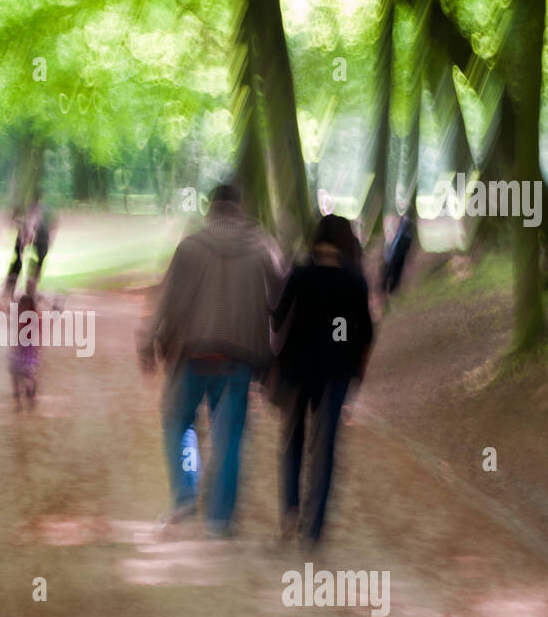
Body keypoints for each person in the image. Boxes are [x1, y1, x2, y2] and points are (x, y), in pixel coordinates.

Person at [138, 183, 282, 537]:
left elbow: (168, 298)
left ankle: (186, 490)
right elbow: (280, 301)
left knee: (179, 422)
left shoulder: (190, 247)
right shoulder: (263, 249)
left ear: (210, 209)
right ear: (240, 208)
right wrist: (274, 354)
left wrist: (150, 341)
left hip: (192, 351)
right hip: (239, 357)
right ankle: (220, 520)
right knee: (230, 436)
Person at [270, 214, 374, 546]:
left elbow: (276, 318)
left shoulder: (300, 274)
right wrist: (358, 373)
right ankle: (313, 530)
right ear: (345, 243)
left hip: (298, 368)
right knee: (325, 448)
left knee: (293, 442)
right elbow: (366, 335)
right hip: (336, 372)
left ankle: (290, 508)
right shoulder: (355, 282)